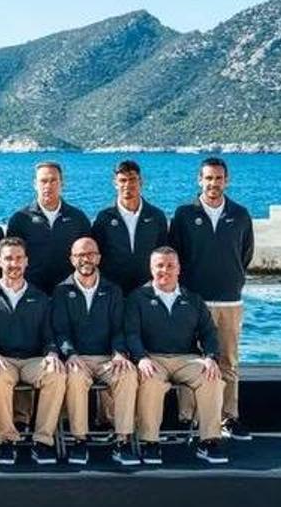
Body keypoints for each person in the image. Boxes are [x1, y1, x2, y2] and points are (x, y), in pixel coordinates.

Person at [169, 157, 255, 441]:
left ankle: (228, 417)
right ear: (199, 180)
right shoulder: (184, 214)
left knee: (228, 361)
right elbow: (175, 254)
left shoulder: (240, 215)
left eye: (218, 178)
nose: (213, 183)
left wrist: (232, 279)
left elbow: (246, 254)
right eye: (208, 178)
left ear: (226, 181)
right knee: (191, 361)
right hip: (194, 301)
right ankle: (187, 418)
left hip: (229, 301)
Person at [125, 247, 227, 465]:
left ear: (179, 269)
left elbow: (209, 333)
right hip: (152, 358)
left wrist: (211, 357)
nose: (165, 270)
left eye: (170, 265)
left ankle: (209, 440)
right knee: (150, 381)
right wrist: (141, 358)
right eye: (160, 265)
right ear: (151, 268)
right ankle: (149, 441)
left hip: (186, 359)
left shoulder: (193, 299)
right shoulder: (137, 298)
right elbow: (131, 333)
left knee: (212, 378)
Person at [52, 237, 138, 466]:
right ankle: (79, 439)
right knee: (75, 377)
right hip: (77, 358)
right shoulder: (61, 291)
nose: (85, 259)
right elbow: (60, 331)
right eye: (80, 255)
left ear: (98, 258)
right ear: (72, 260)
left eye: (90, 254)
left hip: (107, 358)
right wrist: (70, 354)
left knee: (128, 374)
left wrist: (119, 353)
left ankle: (122, 440)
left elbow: (119, 328)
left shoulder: (113, 290)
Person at [0, 237, 65, 466]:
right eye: (9, 258)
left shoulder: (40, 297)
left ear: (26, 261)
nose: (14, 263)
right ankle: (6, 440)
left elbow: (49, 335)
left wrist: (52, 354)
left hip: (32, 360)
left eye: (19, 258)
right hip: (2, 360)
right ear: (0, 261)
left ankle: (43, 440)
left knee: (56, 374)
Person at [6, 161, 91, 293]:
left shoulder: (78, 218)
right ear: (35, 184)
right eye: (43, 181)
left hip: (70, 293)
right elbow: (11, 260)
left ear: (62, 184)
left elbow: (89, 256)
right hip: (31, 294)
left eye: (53, 181)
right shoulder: (20, 219)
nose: (48, 186)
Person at [90, 160, 169, 297]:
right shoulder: (104, 218)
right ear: (115, 183)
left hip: (149, 292)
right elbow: (97, 256)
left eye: (132, 179)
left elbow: (165, 254)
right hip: (113, 293)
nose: (127, 185)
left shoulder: (157, 216)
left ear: (141, 182)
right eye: (123, 180)